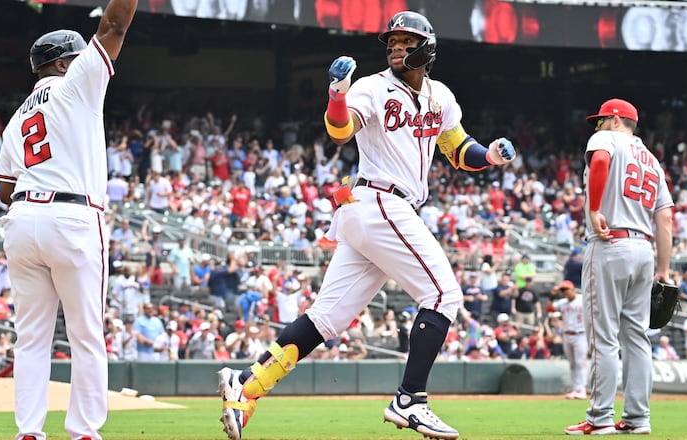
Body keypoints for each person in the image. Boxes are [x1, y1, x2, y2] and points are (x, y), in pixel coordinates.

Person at [216, 10, 516, 440]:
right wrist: (337, 93)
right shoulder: (373, 87)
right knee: (443, 294)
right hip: (379, 201)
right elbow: (341, 131)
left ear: (427, 48)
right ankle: (410, 399)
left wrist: (488, 155)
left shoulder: (441, 96)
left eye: (405, 40)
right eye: (391, 41)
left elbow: (457, 147)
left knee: (326, 319)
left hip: (374, 211)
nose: (395, 46)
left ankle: (246, 384)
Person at [0, 1, 138, 439]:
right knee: (86, 334)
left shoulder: (17, 118)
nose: (86, 62)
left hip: (22, 219)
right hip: (72, 216)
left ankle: (29, 432)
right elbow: (113, 23)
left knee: (31, 339)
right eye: (77, 57)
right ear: (62, 63)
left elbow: (4, 189)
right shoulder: (76, 83)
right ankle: (83, 431)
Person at [564, 98, 673, 436]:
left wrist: (595, 208)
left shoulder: (606, 139)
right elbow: (666, 218)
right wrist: (664, 271)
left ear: (614, 119)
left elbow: (599, 161)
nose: (596, 126)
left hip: (610, 244)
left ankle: (599, 420)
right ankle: (639, 419)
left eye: (600, 120)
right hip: (644, 249)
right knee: (638, 338)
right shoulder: (653, 160)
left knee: (603, 337)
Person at [548, 280, 587, 400]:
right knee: (572, 364)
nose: (565, 292)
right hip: (567, 334)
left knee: (580, 363)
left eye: (566, 289)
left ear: (572, 289)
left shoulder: (582, 299)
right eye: (563, 290)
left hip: (581, 334)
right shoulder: (563, 302)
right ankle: (575, 388)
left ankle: (582, 389)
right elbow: (549, 309)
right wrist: (552, 295)